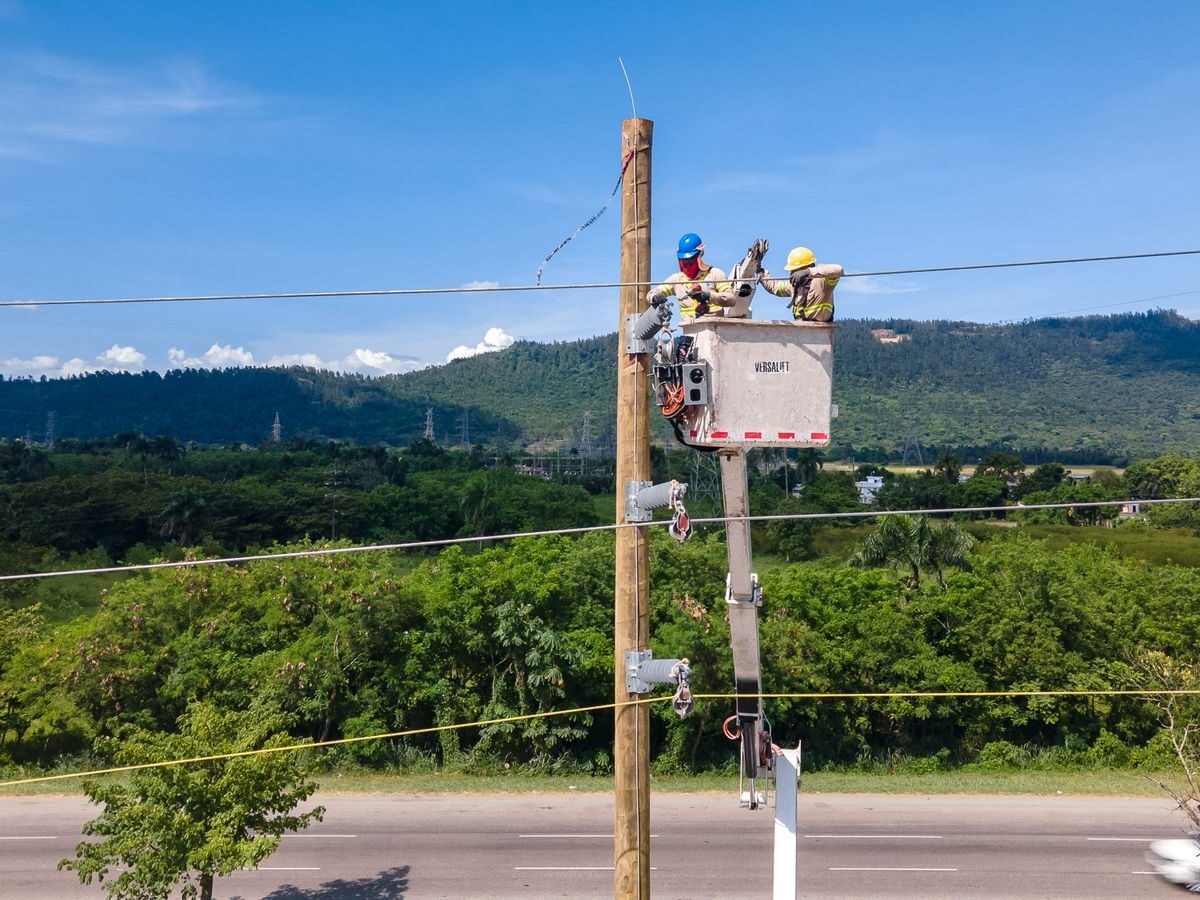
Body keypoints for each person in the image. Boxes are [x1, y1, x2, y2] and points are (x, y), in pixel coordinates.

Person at [646, 233, 740, 324]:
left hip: (714, 332)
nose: (687, 264)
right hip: (690, 333)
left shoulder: (715, 274)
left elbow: (732, 300)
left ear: (699, 255)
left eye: (690, 260)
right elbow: (652, 293)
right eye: (684, 260)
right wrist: (655, 297)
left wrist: (709, 296)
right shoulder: (677, 280)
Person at [759, 246, 842, 322]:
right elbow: (775, 287)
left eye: (794, 270)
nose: (792, 273)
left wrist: (809, 272)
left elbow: (838, 269)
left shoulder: (822, 281)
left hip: (820, 329)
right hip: (801, 330)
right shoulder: (794, 285)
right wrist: (762, 273)